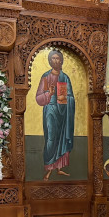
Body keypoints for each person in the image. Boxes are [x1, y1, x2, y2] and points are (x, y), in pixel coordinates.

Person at [34, 49, 75, 180]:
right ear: (50, 61)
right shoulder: (46, 77)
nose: (56, 61)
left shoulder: (65, 77)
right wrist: (49, 93)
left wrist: (66, 97)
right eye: (53, 58)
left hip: (63, 111)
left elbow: (71, 97)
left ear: (61, 61)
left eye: (58, 58)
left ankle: (59, 168)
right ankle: (49, 168)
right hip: (50, 110)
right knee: (51, 138)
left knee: (62, 138)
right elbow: (38, 98)